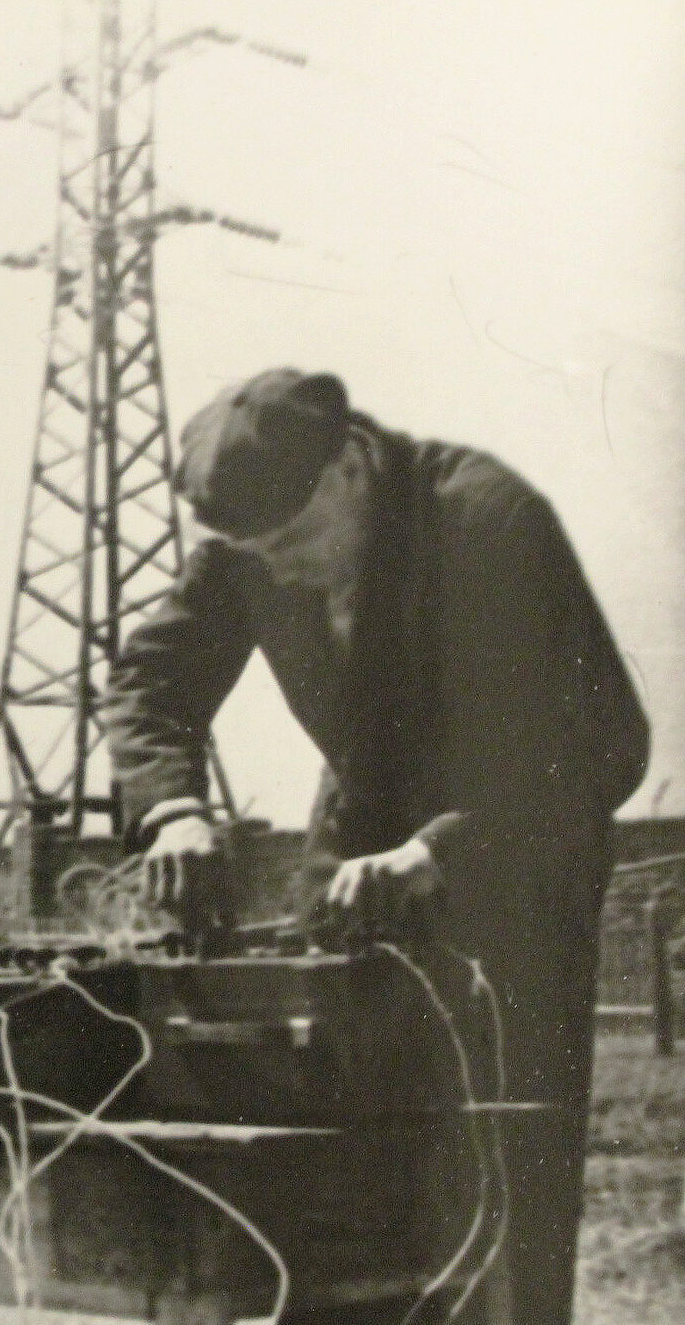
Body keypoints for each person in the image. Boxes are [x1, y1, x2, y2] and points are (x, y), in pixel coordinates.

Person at [102, 367, 649, 1325]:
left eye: (293, 544)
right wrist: (173, 810)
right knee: (330, 1200)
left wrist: (439, 851)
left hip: (507, 867)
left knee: (498, 1210)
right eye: (256, 555)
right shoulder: (249, 547)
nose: (276, 572)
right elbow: (151, 676)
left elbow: (601, 746)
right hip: (355, 859)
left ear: (351, 465)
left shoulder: (487, 521)